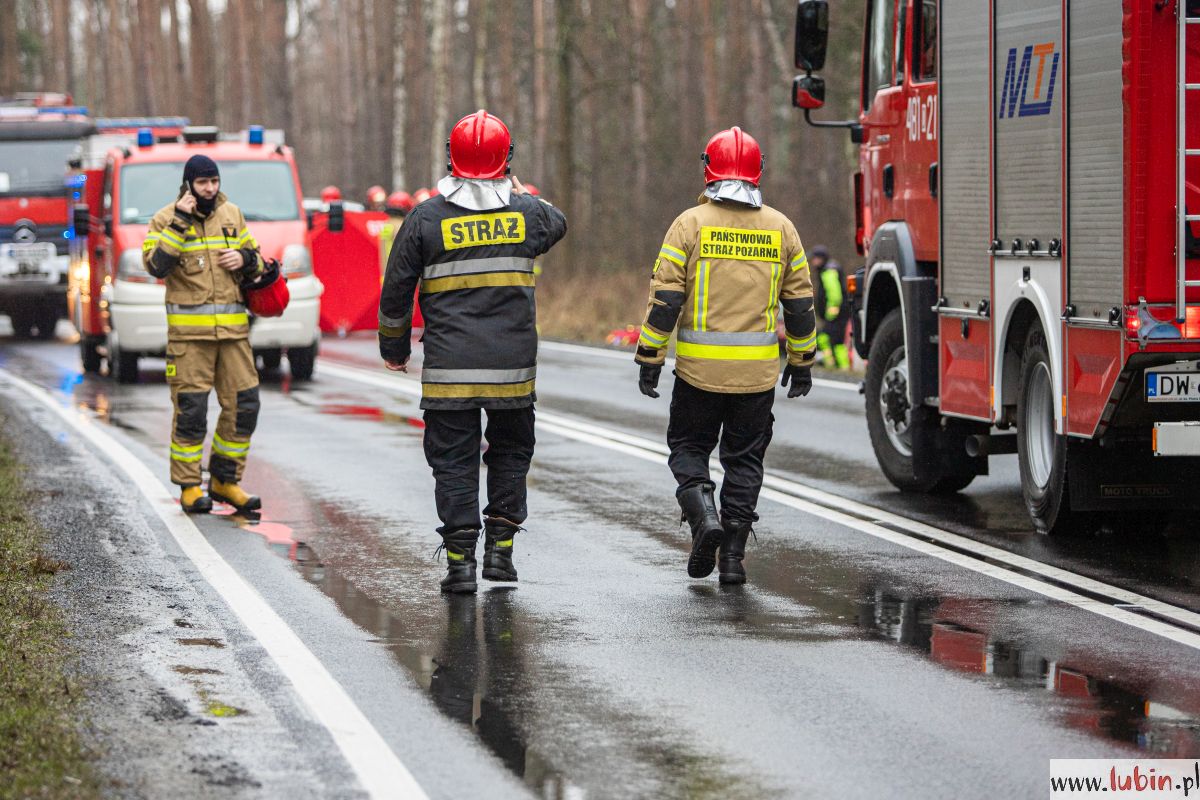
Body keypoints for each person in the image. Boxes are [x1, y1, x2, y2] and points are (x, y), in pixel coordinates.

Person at [378, 110, 567, 593]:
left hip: (449, 373)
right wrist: (523, 193)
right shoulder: (527, 214)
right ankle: (500, 556)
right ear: (507, 159)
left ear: (451, 159)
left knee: (454, 461)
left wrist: (394, 349)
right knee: (509, 453)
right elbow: (558, 223)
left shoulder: (425, 217)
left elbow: (397, 291)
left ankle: (460, 564)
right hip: (513, 372)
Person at [634, 126, 816, 585]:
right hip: (756, 378)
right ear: (758, 173)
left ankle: (703, 519)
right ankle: (732, 557)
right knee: (745, 462)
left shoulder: (689, 224)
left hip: (698, 374)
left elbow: (665, 301)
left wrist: (650, 357)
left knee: (688, 448)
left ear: (708, 169)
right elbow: (799, 304)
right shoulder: (781, 228)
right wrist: (803, 361)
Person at [142, 154, 266, 516]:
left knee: (245, 406)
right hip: (188, 341)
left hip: (233, 335)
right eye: (202, 183)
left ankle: (226, 481)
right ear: (188, 184)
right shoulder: (165, 218)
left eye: (214, 182)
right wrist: (180, 221)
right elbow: (156, 266)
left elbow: (257, 259)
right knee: (192, 413)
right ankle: (190, 487)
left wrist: (244, 259)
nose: (210, 189)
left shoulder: (232, 215)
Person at [811, 245, 850, 369]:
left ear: (821, 258)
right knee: (832, 339)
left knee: (828, 339)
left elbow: (834, 293)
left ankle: (839, 366)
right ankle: (838, 365)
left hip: (835, 313)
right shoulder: (829, 268)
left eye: (815, 258)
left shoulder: (828, 271)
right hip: (837, 312)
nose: (813, 262)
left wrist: (831, 311)